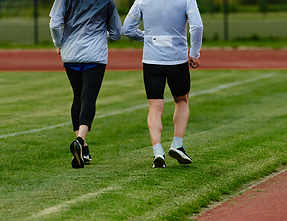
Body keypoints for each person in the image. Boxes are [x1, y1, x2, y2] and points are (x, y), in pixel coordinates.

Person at [122, 0, 203, 168]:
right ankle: (177, 144)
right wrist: (194, 53)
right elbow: (197, 27)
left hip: (152, 60)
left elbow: (127, 29)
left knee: (155, 107)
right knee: (181, 101)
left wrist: (148, 37)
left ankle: (157, 151)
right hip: (177, 60)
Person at [49, 0, 122, 168]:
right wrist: (101, 39)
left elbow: (54, 24)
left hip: (70, 54)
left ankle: (84, 149)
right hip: (95, 56)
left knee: (77, 97)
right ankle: (80, 140)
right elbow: (117, 32)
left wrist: (59, 43)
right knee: (89, 97)